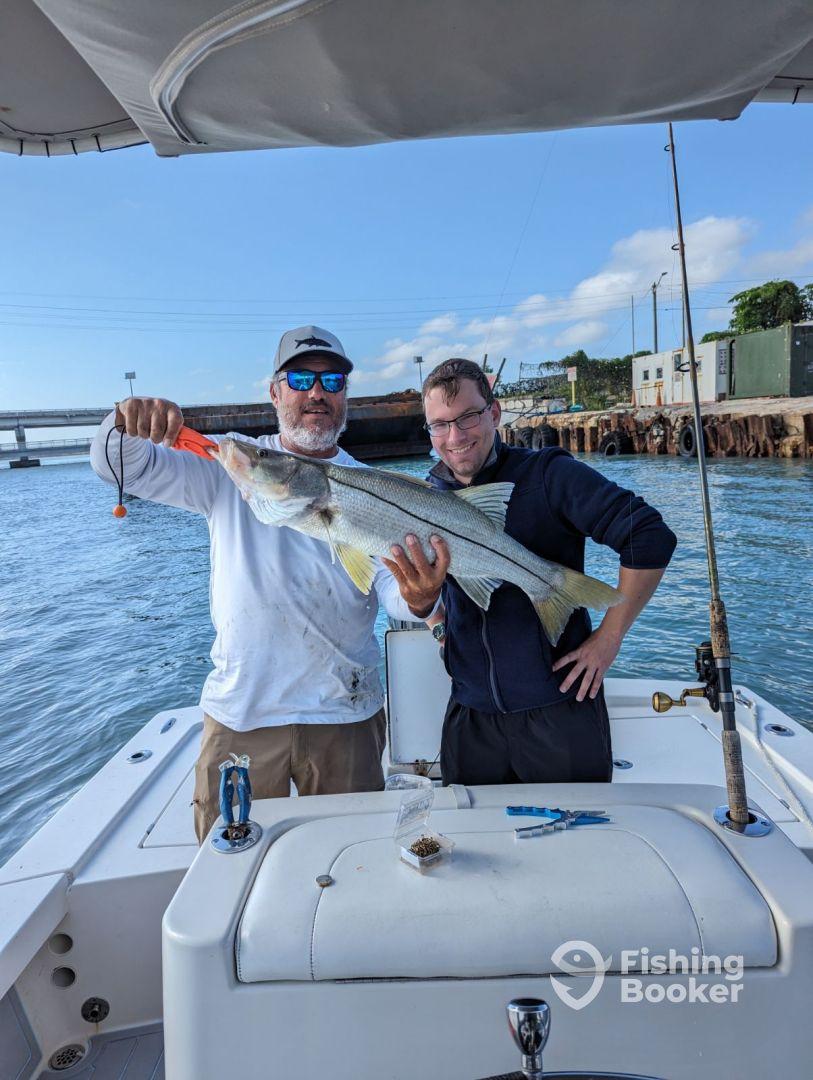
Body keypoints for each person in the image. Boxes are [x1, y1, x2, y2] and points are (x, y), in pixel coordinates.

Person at [90, 326, 447, 841]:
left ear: (346, 394)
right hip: (243, 712)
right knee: (228, 872)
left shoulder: (373, 488)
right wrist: (122, 420)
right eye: (301, 378)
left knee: (350, 863)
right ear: (275, 392)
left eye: (333, 380)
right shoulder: (234, 464)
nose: (317, 393)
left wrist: (421, 599)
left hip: (345, 712)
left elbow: (393, 590)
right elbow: (116, 464)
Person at [388, 357, 676, 787]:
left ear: (495, 413)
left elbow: (649, 535)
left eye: (468, 417)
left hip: (560, 712)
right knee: (477, 848)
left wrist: (609, 637)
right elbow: (425, 600)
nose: (455, 437)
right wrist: (431, 618)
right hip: (470, 719)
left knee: (576, 846)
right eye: (440, 425)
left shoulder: (548, 475)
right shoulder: (424, 499)